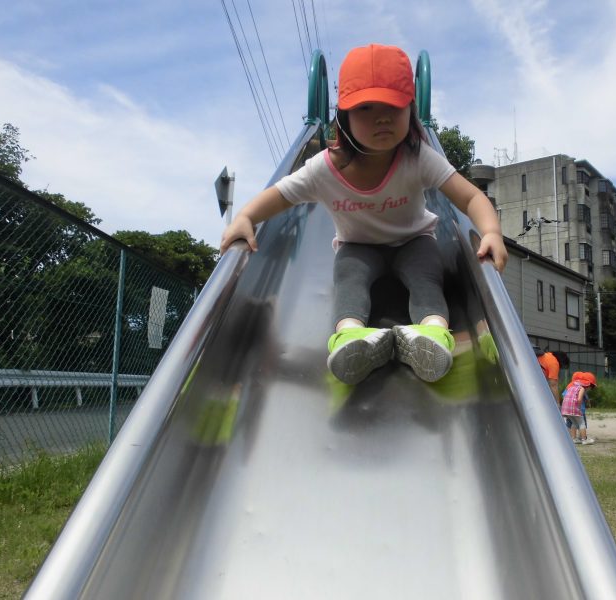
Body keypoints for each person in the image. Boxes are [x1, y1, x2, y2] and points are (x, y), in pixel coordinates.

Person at [220, 44, 507, 385]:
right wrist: (246, 218)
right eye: (366, 108)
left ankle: (431, 336)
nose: (382, 117)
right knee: (348, 278)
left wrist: (490, 231)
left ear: (410, 110)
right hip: (358, 246)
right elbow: (279, 196)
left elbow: (472, 196)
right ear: (344, 116)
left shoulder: (417, 158)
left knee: (427, 276)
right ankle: (352, 338)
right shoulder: (324, 170)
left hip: (413, 241)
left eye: (393, 106)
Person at [560, 371, 596, 444]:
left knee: (574, 423)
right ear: (587, 385)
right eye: (590, 387)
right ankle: (584, 439)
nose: (589, 389)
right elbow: (579, 399)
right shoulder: (581, 388)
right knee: (582, 423)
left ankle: (573, 439)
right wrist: (578, 407)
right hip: (576, 410)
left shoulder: (571, 387)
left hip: (567, 410)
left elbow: (564, 396)